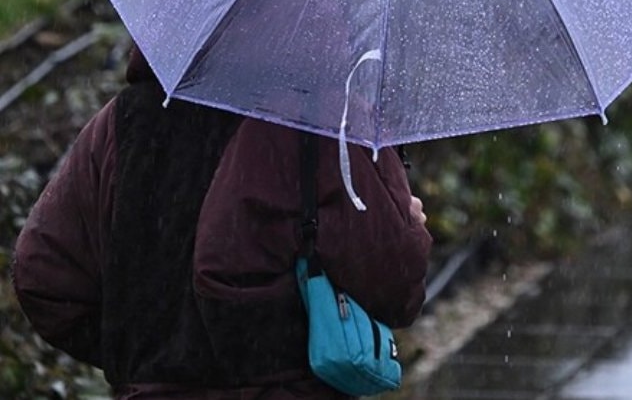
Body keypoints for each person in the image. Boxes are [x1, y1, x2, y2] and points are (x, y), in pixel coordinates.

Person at [12, 46, 432, 400]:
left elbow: (44, 276)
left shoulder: (126, 121)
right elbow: (395, 284)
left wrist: (144, 359)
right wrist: (406, 224)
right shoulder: (319, 121)